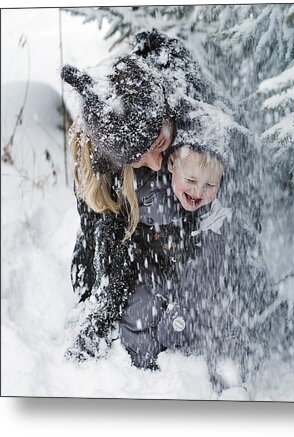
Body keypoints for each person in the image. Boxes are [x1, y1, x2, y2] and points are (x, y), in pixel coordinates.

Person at [62, 30, 257, 395]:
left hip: (189, 234)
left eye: (159, 145)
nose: (154, 162)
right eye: (138, 160)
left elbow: (237, 175)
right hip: (147, 232)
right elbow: (104, 230)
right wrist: (103, 302)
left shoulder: (190, 105)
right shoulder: (100, 154)